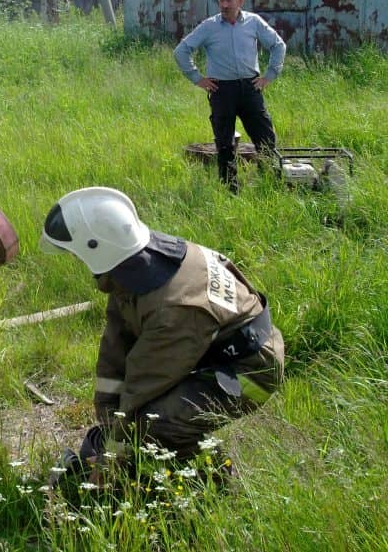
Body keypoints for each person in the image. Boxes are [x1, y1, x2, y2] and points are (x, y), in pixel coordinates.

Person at [40, 187, 283, 477]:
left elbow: (142, 387)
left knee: (153, 425)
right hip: (211, 353)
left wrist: (111, 460)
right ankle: (156, 460)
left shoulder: (174, 310)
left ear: (99, 248)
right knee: (129, 429)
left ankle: (212, 477)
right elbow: (116, 344)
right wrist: (107, 416)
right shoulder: (136, 267)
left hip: (250, 372)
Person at [174, 0, 286, 192]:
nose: (224, 5)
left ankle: (269, 182)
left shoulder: (254, 22)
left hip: (250, 88)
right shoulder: (209, 26)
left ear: (240, 1)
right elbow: (181, 51)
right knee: (224, 141)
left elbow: (278, 45)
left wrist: (269, 76)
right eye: (221, 1)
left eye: (229, 1)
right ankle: (230, 188)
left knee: (265, 137)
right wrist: (198, 79)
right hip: (221, 90)